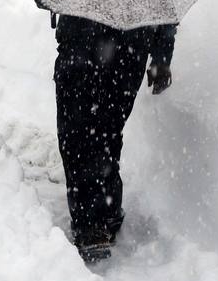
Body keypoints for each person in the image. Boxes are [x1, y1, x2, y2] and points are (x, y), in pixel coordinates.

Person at [51, 13, 177, 262]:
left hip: (85, 47)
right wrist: (162, 55)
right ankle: (105, 209)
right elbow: (163, 7)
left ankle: (91, 224)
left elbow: (163, 8)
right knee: (106, 133)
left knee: (78, 136)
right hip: (127, 50)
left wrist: (162, 56)